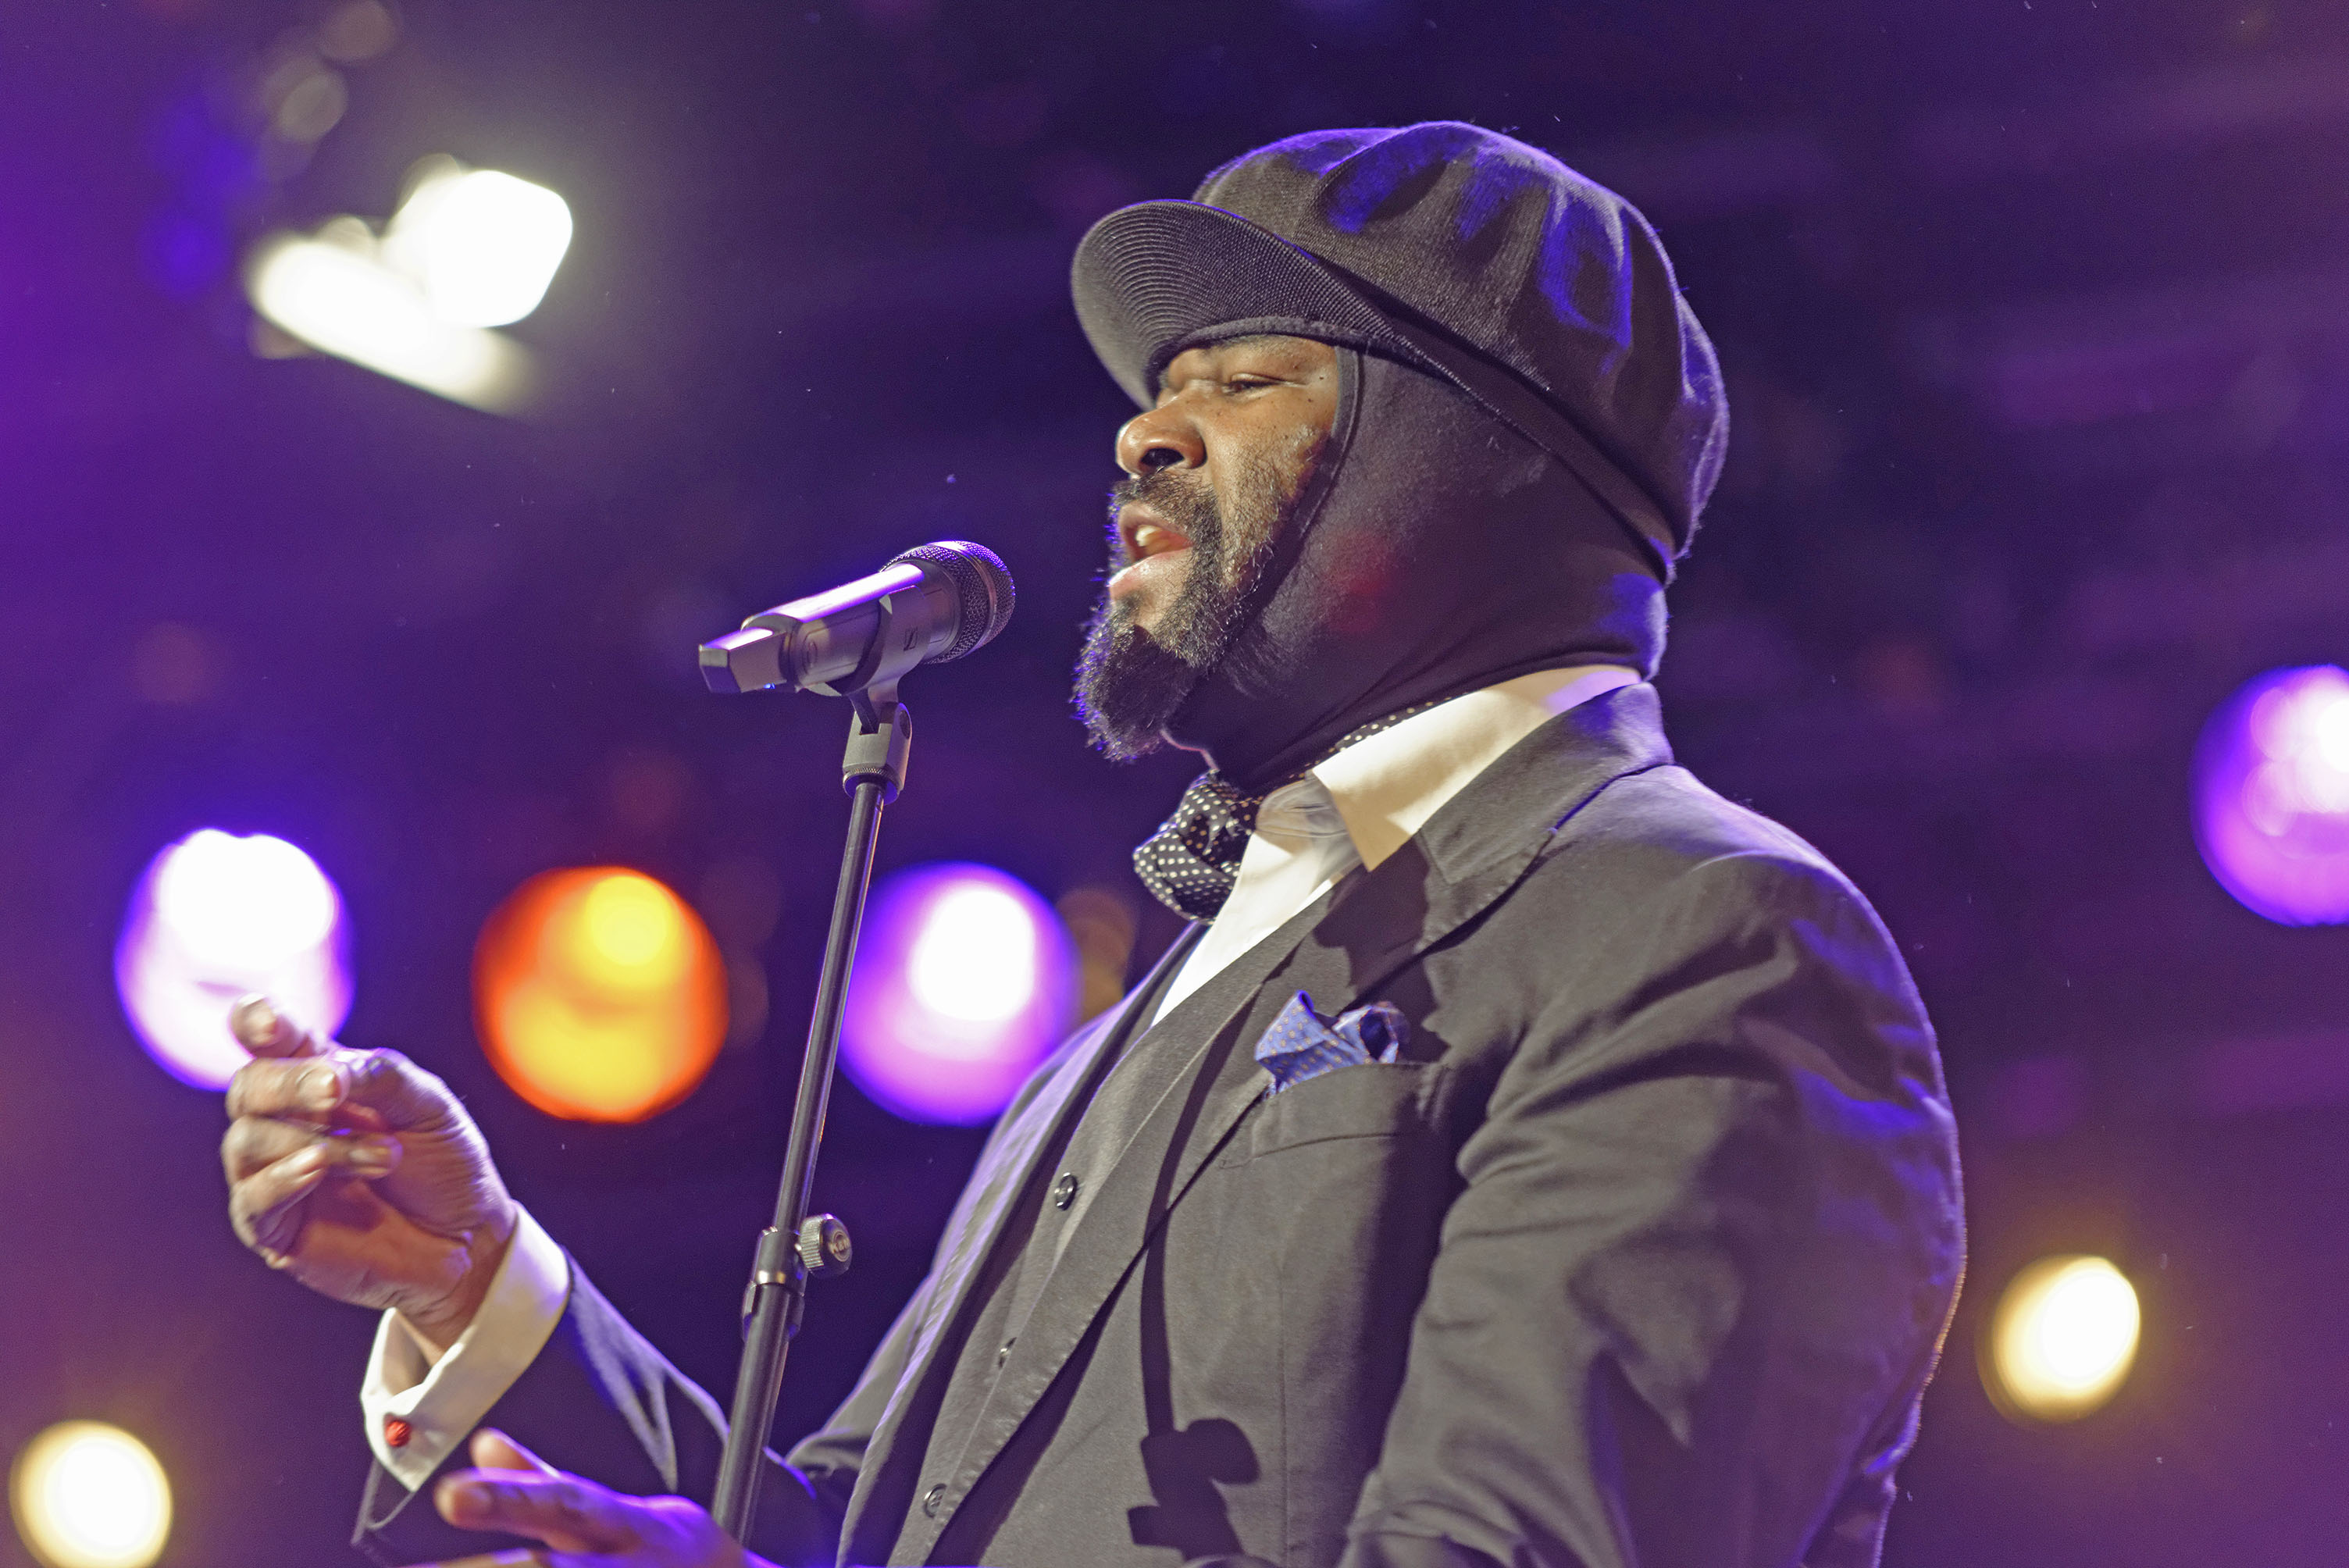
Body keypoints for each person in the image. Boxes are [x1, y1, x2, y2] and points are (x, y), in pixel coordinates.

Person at [219, 123, 1965, 1568]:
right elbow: (847, 1536)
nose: (1141, 427)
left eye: (1247, 375)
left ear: (1477, 465)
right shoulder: (1134, 1022)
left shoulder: (1704, 936)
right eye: (1157, 384)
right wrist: (483, 1283)